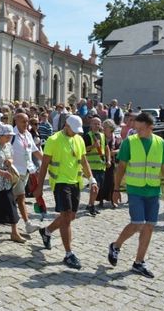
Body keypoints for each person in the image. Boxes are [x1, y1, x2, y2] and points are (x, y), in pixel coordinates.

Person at [108, 112, 164, 278]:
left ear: (150, 128)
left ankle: (139, 262)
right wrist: (116, 189)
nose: (136, 132)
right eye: (135, 128)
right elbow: (121, 168)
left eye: (140, 129)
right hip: (135, 190)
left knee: (149, 226)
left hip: (153, 191)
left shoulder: (160, 143)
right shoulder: (129, 142)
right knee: (137, 223)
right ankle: (116, 245)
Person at [34, 115, 98, 270]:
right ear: (66, 126)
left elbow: (83, 161)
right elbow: (44, 165)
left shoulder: (79, 139)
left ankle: (47, 231)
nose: (76, 133)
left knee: (70, 216)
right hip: (60, 183)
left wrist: (92, 179)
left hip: (75, 182)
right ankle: (69, 254)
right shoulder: (53, 140)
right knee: (67, 216)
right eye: (73, 130)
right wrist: (39, 187)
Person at [11, 113, 42, 236]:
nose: (26, 124)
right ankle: (27, 224)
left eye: (27, 121)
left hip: (27, 171)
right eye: (23, 121)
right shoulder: (12, 135)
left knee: (11, 198)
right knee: (21, 197)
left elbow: (35, 151)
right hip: (15, 172)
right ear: (16, 121)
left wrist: (48, 163)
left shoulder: (28, 134)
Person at [82, 116, 111, 215]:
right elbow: (83, 150)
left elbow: (106, 149)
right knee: (95, 187)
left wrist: (109, 160)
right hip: (91, 167)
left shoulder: (102, 136)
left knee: (98, 188)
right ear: (91, 125)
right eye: (94, 123)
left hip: (101, 166)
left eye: (98, 123)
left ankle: (90, 204)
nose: (96, 125)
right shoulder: (87, 136)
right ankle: (91, 205)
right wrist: (93, 146)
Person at [98, 119, 121, 208]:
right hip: (102, 161)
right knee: (101, 181)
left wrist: (113, 152)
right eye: (103, 126)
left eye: (106, 127)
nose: (103, 128)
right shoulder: (101, 137)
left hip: (113, 161)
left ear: (111, 128)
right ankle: (100, 200)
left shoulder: (116, 137)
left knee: (111, 181)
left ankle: (112, 200)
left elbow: (120, 148)